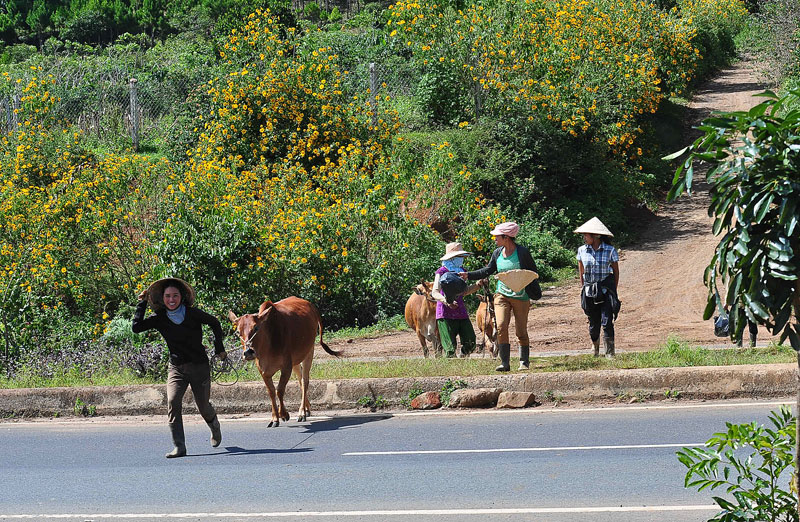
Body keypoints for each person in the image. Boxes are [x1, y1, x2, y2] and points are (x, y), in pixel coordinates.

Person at [132, 278, 228, 458]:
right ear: (162, 298)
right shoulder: (159, 318)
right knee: (172, 402)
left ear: (182, 297)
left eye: (175, 295)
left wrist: (219, 348)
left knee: (203, 406)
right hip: (176, 368)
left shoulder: (193, 314)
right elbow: (136, 327)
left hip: (199, 366)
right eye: (167, 296)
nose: (171, 299)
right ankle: (179, 446)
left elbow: (214, 322)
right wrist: (142, 303)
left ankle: (214, 424)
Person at [459, 222, 540, 371]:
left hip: (521, 296)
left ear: (506, 237)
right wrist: (468, 275)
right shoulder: (497, 253)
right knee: (501, 326)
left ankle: (524, 361)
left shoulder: (522, 252)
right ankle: (505, 363)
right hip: (501, 295)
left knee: (520, 331)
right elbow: (488, 270)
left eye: (497, 236)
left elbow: (532, 272)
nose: (494, 238)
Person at [574, 217, 620, 357]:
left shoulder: (610, 250)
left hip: (605, 291)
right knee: (593, 324)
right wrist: (583, 289)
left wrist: (613, 290)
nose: (584, 238)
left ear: (595, 236)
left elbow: (616, 271)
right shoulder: (582, 251)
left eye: (586, 235)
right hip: (589, 292)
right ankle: (595, 348)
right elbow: (581, 272)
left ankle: (610, 353)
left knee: (607, 321)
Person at [430, 242, 484, 358]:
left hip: (460, 312)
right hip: (445, 313)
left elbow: (464, 291)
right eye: (459, 257)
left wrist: (477, 285)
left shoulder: (462, 271)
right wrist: (446, 301)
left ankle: (463, 355)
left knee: (470, 342)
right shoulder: (441, 271)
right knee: (449, 347)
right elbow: (435, 292)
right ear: (452, 258)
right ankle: (450, 370)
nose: (462, 259)